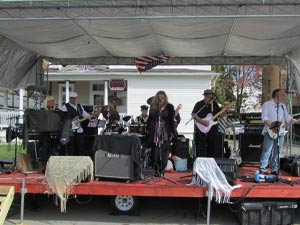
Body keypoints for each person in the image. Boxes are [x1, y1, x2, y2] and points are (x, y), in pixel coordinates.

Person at [259, 89, 299, 175]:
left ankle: (274, 169)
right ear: (277, 95)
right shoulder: (267, 104)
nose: (284, 96)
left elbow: (287, 117)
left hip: (280, 131)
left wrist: (294, 120)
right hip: (270, 130)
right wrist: (272, 126)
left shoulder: (282, 106)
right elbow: (264, 117)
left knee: (277, 150)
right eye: (282, 95)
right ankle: (263, 168)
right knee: (267, 150)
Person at [147, 90, 177, 177]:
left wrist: (174, 132)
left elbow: (171, 120)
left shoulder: (170, 107)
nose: (161, 99)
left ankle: (162, 169)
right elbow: (151, 118)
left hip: (166, 130)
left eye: (163, 98)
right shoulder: (153, 107)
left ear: (165, 98)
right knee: (155, 151)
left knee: (165, 151)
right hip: (155, 130)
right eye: (159, 98)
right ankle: (156, 169)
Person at [191, 89, 227, 158]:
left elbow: (220, 116)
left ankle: (211, 162)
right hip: (200, 129)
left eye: (212, 96)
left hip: (212, 129)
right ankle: (201, 163)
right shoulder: (199, 104)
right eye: (210, 97)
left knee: (212, 147)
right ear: (205, 96)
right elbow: (193, 114)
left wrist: (225, 111)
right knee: (200, 147)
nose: (211, 98)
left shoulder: (215, 104)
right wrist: (202, 122)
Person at [60, 91, 95, 156]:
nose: (74, 99)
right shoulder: (65, 107)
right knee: (71, 147)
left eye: (75, 98)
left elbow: (85, 115)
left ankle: (80, 161)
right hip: (70, 131)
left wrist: (93, 117)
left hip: (79, 130)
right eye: (72, 98)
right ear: (70, 98)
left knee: (80, 146)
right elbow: (62, 118)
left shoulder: (80, 106)